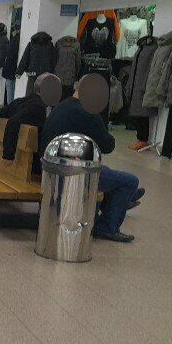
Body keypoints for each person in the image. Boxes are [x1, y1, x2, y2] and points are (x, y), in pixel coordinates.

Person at [41, 75, 144, 243]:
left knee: (107, 171)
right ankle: (107, 227)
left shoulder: (61, 106)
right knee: (130, 181)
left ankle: (126, 198)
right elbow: (108, 145)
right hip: (73, 173)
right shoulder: (88, 113)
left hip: (50, 167)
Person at [0, 73, 61, 170]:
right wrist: (8, 156)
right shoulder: (37, 107)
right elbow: (12, 123)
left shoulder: (19, 101)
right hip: (31, 164)